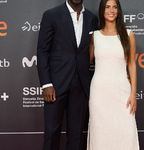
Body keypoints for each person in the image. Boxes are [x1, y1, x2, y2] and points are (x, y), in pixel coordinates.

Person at [37, 0, 98, 150]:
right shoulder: (51, 15)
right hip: (56, 84)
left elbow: (97, 51)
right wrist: (46, 84)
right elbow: (42, 51)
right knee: (52, 132)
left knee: (76, 135)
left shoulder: (92, 19)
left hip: (81, 83)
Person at [87, 0, 139, 149]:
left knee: (125, 133)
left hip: (122, 92)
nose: (111, 10)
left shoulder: (128, 35)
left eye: (115, 7)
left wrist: (133, 93)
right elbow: (84, 62)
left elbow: (132, 65)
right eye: (108, 7)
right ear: (102, 10)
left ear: (118, 11)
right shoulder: (95, 36)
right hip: (99, 94)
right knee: (101, 135)